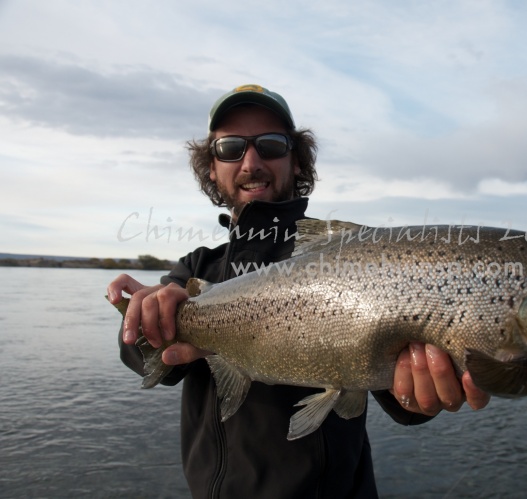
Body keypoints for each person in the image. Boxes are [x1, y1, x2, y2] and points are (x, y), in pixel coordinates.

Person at [107, 84, 490, 498]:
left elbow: (403, 402)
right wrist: (144, 318)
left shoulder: (348, 260)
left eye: (271, 145)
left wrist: (419, 397)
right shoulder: (196, 269)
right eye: (231, 147)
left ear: (296, 158)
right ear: (212, 167)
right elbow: (148, 361)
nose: (251, 162)